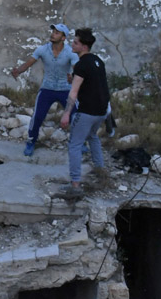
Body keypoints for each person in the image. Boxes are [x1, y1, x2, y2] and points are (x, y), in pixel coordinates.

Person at [10, 23, 79, 156]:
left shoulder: (70, 52)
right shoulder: (42, 49)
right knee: (37, 116)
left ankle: (79, 143)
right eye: (53, 31)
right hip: (47, 88)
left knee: (76, 116)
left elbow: (77, 68)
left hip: (65, 89)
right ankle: (31, 141)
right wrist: (18, 71)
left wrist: (74, 77)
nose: (53, 34)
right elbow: (29, 62)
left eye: (57, 33)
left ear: (64, 38)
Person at [58, 27, 111, 199]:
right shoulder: (97, 61)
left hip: (87, 112)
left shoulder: (81, 65)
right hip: (102, 112)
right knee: (93, 137)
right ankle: (100, 171)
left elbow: (73, 93)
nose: (72, 44)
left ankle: (75, 184)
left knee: (74, 144)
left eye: (76, 42)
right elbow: (96, 84)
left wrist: (66, 114)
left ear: (84, 47)